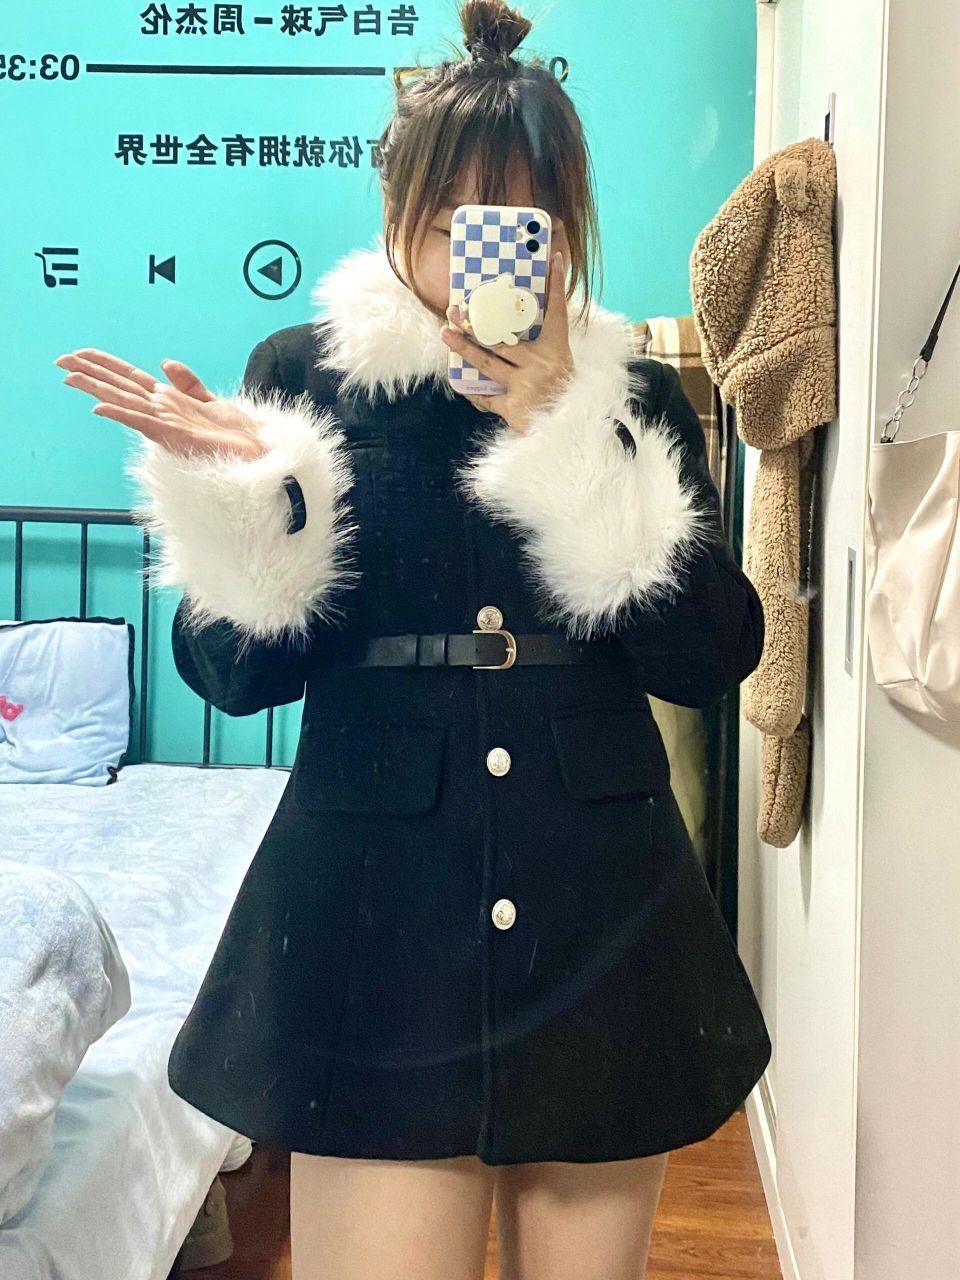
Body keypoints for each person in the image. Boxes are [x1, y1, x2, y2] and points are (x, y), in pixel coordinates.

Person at [54, 2, 772, 1277]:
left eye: (526, 221)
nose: (486, 249)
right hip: (369, 913)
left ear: (568, 227)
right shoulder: (304, 378)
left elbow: (713, 654)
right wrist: (247, 507)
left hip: (601, 901)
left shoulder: (634, 398)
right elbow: (231, 673)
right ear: (398, 211)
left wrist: (570, 433)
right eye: (453, 220)